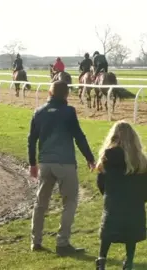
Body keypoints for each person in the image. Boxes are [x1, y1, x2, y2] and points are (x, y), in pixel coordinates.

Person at [27, 80, 96, 256]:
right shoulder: (69, 111)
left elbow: (31, 140)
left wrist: (32, 163)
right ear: (66, 95)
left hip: (45, 164)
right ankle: (62, 243)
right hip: (65, 163)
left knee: (41, 203)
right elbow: (79, 136)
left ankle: (35, 241)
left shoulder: (39, 112)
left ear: (49, 93)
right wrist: (90, 158)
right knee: (70, 202)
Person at [94, 121, 147, 270]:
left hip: (113, 202)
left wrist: (108, 195)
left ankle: (101, 260)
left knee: (107, 233)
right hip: (134, 205)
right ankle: (129, 261)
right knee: (131, 234)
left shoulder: (107, 158)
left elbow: (101, 183)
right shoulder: (141, 161)